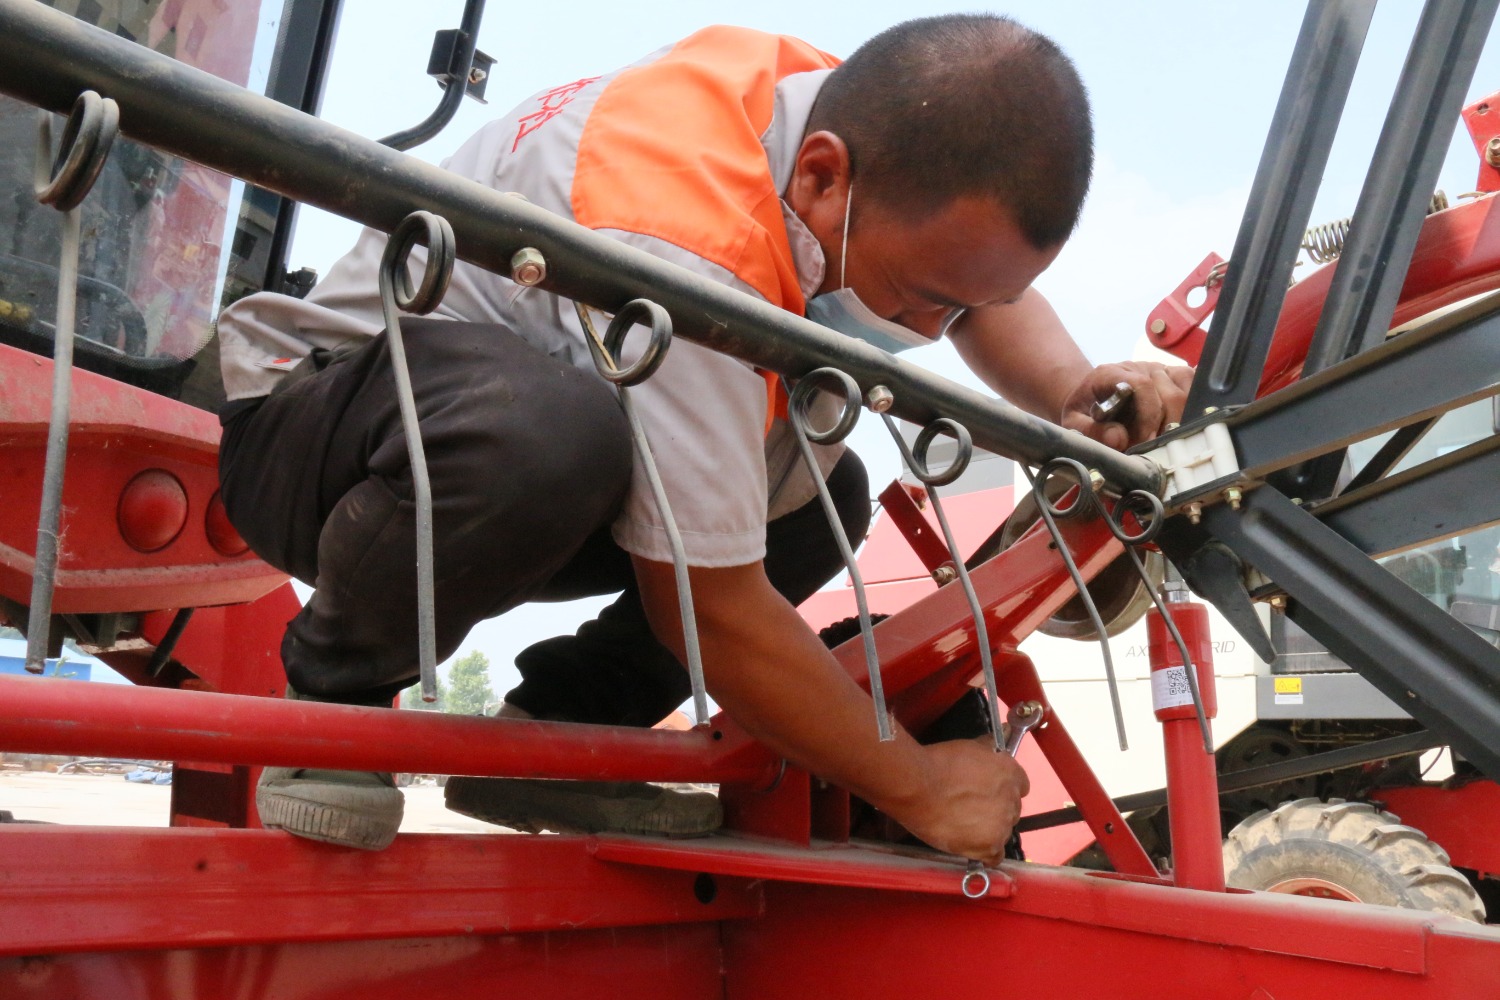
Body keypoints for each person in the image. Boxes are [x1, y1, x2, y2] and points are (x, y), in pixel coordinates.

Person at [215, 15, 1191, 856]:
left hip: (494, 448)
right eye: (928, 300)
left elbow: (977, 284)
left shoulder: (834, 111)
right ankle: (335, 707)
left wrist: (1070, 389)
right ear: (821, 179)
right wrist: (919, 786)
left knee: (822, 499)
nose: (933, 334)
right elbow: (709, 606)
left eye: (964, 307)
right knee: (558, 431)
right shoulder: (685, 243)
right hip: (317, 434)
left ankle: (566, 734)